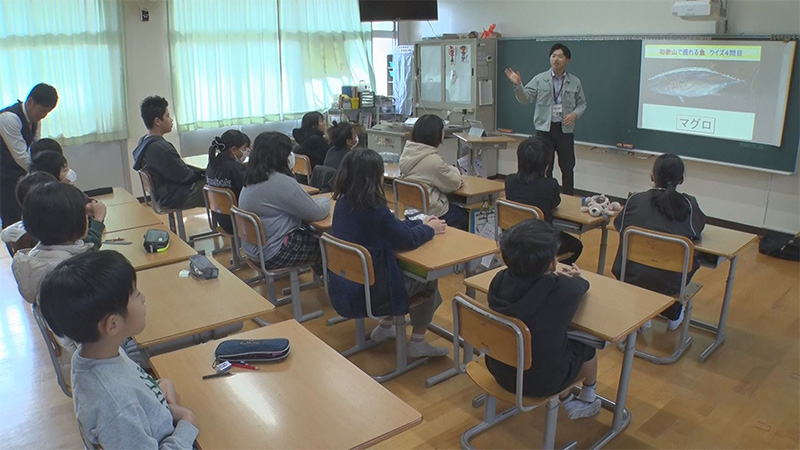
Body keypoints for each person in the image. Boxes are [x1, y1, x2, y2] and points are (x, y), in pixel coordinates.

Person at [39, 250, 199, 448]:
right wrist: (187, 421)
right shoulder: (116, 406)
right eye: (136, 294)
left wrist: (156, 391)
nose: (143, 298)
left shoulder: (95, 354)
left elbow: (131, 395)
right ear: (113, 324)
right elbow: (123, 405)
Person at [329, 148, 450, 357]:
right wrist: (430, 229)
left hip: (344, 285)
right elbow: (407, 240)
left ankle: (385, 326)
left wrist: (420, 224)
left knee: (393, 268)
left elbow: (394, 229)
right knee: (428, 278)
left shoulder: (343, 203)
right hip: (371, 293)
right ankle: (418, 342)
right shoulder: (375, 210)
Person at [486, 219, 601, 419]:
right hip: (542, 382)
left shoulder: (498, 280)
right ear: (553, 262)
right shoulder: (562, 290)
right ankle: (588, 395)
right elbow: (582, 286)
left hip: (500, 369)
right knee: (585, 345)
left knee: (546, 341)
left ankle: (567, 398)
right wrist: (573, 277)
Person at [10, 181, 107, 384]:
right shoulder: (69, 271)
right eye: (83, 215)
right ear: (74, 224)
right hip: (97, 361)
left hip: (75, 354)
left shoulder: (36, 258)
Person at [612, 153, 706, 330]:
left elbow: (619, 225)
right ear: (681, 180)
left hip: (630, 275)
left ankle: (642, 310)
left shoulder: (635, 199)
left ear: (652, 176)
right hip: (670, 282)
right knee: (693, 257)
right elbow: (696, 232)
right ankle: (673, 311)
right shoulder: (688, 204)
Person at [238, 132, 330, 273]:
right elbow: (317, 213)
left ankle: (323, 277)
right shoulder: (279, 181)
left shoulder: (252, 178)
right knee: (329, 245)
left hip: (254, 249)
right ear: (280, 155)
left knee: (312, 234)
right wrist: (326, 199)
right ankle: (328, 281)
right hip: (273, 252)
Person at [505, 43, 586, 195]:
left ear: (567, 60)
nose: (556, 59)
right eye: (553, 56)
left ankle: (569, 198)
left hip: (564, 130)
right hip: (544, 130)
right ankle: (546, 195)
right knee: (544, 166)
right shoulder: (540, 79)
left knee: (568, 167)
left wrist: (574, 114)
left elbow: (582, 104)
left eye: (560, 56)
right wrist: (518, 85)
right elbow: (525, 98)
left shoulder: (575, 82)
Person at [504, 136, 583, 264]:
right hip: (539, 242)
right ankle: (547, 268)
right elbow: (555, 203)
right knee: (576, 245)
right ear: (546, 164)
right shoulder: (550, 185)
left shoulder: (509, 180)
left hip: (514, 238)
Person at [0, 83, 58, 229]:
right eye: (43, 110)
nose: (44, 115)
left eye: (48, 112)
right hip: (4, 176)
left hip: (19, 175)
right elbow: (22, 157)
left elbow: (36, 149)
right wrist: (48, 175)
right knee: (12, 220)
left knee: (29, 215)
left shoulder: (35, 120)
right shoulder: (9, 118)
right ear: (30, 102)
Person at [132, 96, 205, 210]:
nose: (171, 120)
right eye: (167, 116)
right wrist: (203, 173)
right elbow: (185, 176)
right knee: (216, 185)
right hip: (175, 197)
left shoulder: (143, 141)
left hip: (161, 194)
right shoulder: (162, 148)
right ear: (157, 121)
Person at [398, 114, 468, 230]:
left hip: (411, 211)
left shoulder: (407, 154)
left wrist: (449, 169)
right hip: (433, 213)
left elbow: (441, 170)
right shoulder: (434, 161)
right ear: (436, 134)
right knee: (465, 216)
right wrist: (456, 171)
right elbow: (454, 183)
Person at [205, 129, 249, 234]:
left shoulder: (211, 164)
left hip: (221, 218)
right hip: (238, 221)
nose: (246, 152)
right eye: (244, 149)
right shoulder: (235, 168)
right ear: (233, 150)